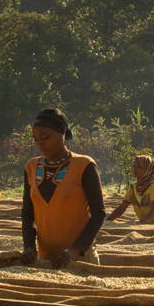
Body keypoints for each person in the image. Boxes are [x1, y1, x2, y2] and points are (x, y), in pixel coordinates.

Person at [21, 108, 105, 268]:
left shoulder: (84, 165)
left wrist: (73, 251)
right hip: (46, 260)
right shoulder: (31, 167)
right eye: (36, 139)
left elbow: (99, 213)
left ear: (62, 133)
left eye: (45, 138)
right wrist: (29, 247)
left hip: (80, 260)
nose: (40, 144)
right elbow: (27, 214)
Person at [109, 154, 154, 225]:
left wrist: (140, 222)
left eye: (138, 167)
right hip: (146, 224)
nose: (134, 168)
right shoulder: (133, 187)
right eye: (134, 166)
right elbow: (122, 208)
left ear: (147, 169)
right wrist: (107, 221)